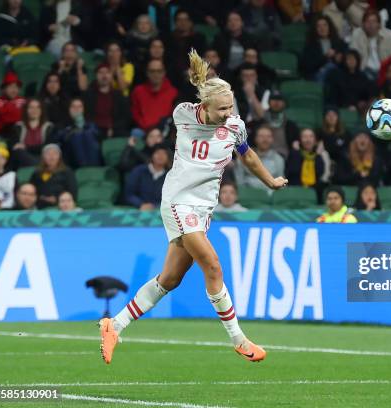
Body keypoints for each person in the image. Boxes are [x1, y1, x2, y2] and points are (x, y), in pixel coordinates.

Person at [99, 49, 288, 365]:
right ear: (205, 106)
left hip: (202, 209)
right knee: (212, 265)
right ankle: (239, 340)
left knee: (170, 279)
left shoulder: (236, 126)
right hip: (177, 201)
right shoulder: (183, 114)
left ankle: (114, 325)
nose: (228, 113)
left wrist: (269, 181)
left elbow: (248, 155)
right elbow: (198, 112)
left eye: (230, 107)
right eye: (221, 109)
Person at [83, 64, 131, 141]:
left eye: (107, 72)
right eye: (101, 73)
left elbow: (125, 117)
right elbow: (87, 116)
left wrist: (113, 128)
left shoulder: (118, 95)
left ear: (111, 76)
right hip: (95, 129)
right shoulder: (89, 95)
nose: (104, 75)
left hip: (115, 129)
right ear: (96, 76)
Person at [130, 59, 178, 133]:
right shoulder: (138, 91)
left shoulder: (173, 92)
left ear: (164, 73)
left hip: (165, 133)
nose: (156, 74)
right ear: (147, 73)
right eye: (152, 71)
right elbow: (135, 113)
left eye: (159, 71)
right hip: (143, 131)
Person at [234, 125, 285, 191]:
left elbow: (281, 184)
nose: (265, 139)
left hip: (271, 196)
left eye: (268, 136)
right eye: (261, 136)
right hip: (249, 195)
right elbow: (239, 183)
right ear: (256, 138)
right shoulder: (244, 156)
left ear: (272, 139)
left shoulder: (279, 159)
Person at [349, 9, 391, 80]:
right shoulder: (357, 34)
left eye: (374, 21)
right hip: (364, 70)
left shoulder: (389, 35)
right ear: (363, 24)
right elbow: (353, 56)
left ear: (379, 24)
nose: (371, 24)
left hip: (384, 70)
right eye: (368, 21)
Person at [9, 99, 55, 168]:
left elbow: (47, 147)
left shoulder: (49, 127)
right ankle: (38, 168)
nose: (34, 110)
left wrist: (26, 147)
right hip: (23, 158)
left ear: (41, 110)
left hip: (42, 158)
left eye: (38, 107)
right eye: (31, 107)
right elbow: (15, 146)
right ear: (26, 110)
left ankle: (38, 167)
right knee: (18, 152)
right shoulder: (18, 126)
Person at [29, 144, 77, 208]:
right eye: (48, 154)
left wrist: (57, 198)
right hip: (39, 205)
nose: (52, 157)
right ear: (43, 157)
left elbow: (72, 191)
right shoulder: (37, 173)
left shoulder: (67, 172)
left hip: (62, 205)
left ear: (59, 156)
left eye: (55, 154)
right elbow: (31, 189)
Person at [57, 98, 101, 168]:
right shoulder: (63, 124)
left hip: (90, 156)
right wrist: (76, 129)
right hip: (71, 157)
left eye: (79, 106)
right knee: (77, 137)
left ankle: (93, 168)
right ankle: (84, 169)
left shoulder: (90, 123)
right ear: (69, 109)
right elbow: (62, 138)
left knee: (88, 135)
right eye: (73, 106)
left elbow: (97, 136)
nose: (76, 109)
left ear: (83, 109)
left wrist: (82, 127)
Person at [300, 15, 346, 81]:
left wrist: (341, 58)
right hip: (317, 74)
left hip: (336, 73)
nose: (322, 28)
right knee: (330, 67)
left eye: (325, 25)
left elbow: (347, 58)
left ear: (329, 27)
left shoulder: (339, 42)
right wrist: (325, 57)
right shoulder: (310, 45)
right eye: (319, 26)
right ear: (315, 29)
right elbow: (308, 66)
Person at [124, 144, 171, 210]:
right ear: (152, 156)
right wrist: (140, 204)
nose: (161, 156)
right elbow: (129, 194)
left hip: (159, 211)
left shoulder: (170, 176)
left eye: (164, 154)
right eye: (158, 153)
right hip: (137, 208)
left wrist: (155, 206)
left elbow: (171, 199)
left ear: (168, 158)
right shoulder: (139, 170)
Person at [0, 72, 26, 138]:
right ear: (3, 89)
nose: (14, 90)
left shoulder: (23, 101)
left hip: (19, 136)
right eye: (10, 87)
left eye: (16, 87)